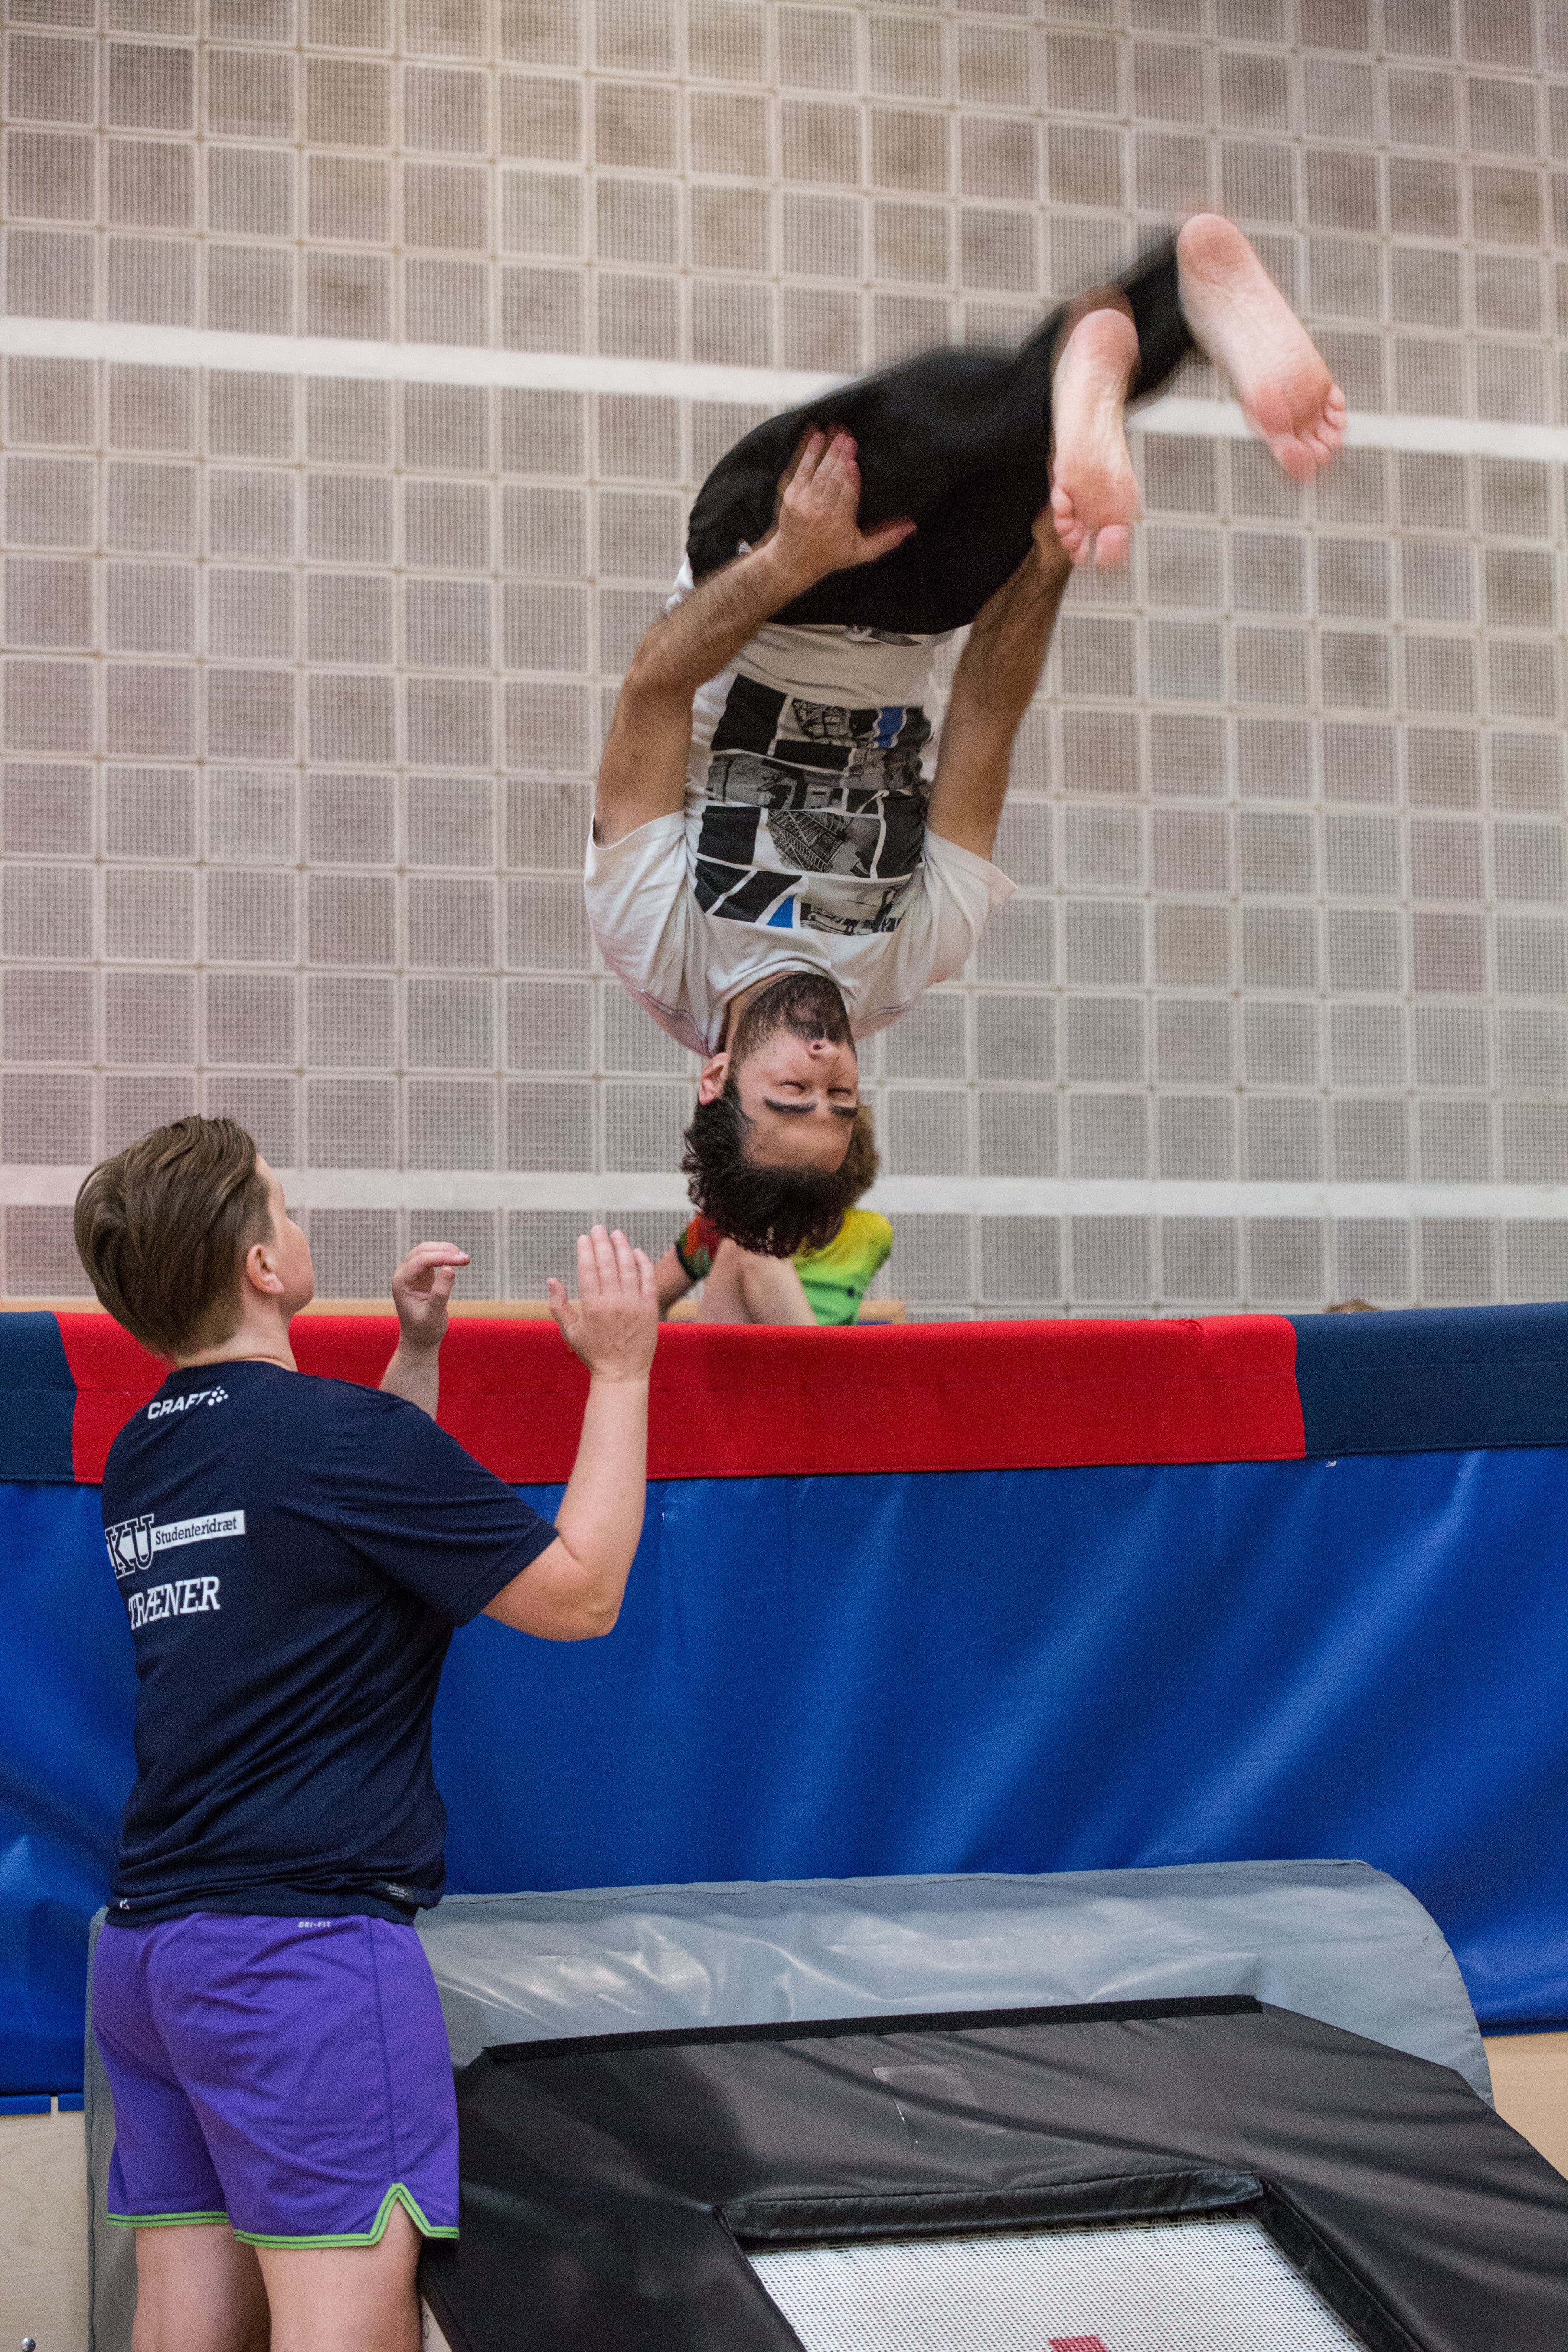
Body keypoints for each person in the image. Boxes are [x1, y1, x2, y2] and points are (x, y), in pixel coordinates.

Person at [587, 216, 1344, 1258]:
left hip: (758, 567)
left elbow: (652, 686)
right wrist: (1045, 562)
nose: (824, 1069)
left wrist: (790, 558)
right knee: (1028, 472)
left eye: (790, 1094)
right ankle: (1144, 328)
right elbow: (984, 721)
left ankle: (1139, 337)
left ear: (716, 1075)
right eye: (840, 1103)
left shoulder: (656, 942)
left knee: (955, 420)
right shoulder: (912, 955)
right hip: (917, 609)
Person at [72, 1114, 657, 2352]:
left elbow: (331, 1529)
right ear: (262, 1271)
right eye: (279, 1206)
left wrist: (415, 1355)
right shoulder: (338, 1444)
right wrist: (619, 1369)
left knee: (187, 2323)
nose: (296, 1221)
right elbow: (583, 1592)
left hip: (149, 1958)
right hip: (299, 1963)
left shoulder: (144, 1460)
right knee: (347, 2331)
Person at [656, 1111, 892, 1326]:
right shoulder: (722, 1221)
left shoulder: (872, 1234)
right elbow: (653, 1298)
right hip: (733, 1368)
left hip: (819, 1369)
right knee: (746, 1242)